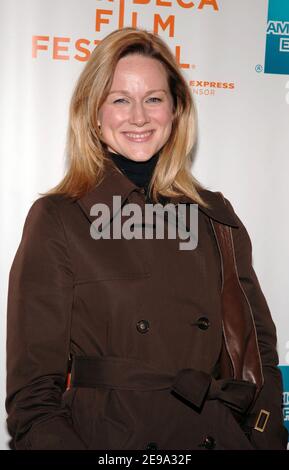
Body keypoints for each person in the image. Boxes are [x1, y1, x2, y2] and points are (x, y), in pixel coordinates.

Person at [6, 26, 288, 450]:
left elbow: (259, 353)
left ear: (176, 111)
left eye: (154, 99)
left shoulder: (215, 216)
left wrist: (262, 440)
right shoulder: (59, 219)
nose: (139, 116)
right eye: (120, 99)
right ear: (93, 112)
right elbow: (32, 395)